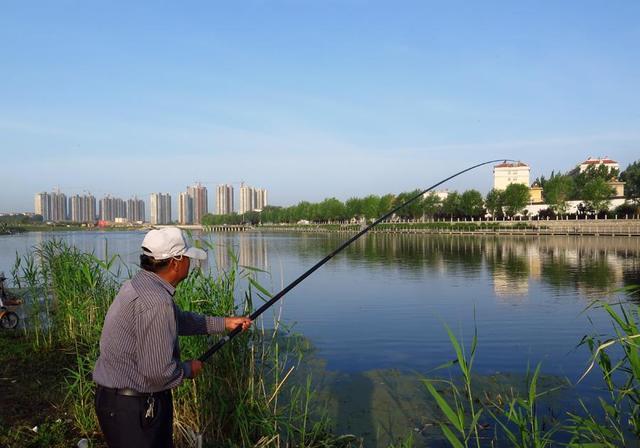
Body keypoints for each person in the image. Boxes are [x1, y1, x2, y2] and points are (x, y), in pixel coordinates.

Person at [93, 227, 252, 448]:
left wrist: (225, 323)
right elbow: (158, 374)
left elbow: (180, 320)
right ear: (176, 262)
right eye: (187, 257)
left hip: (116, 403)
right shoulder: (157, 302)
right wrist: (188, 370)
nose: (190, 262)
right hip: (134, 410)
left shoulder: (139, 285)